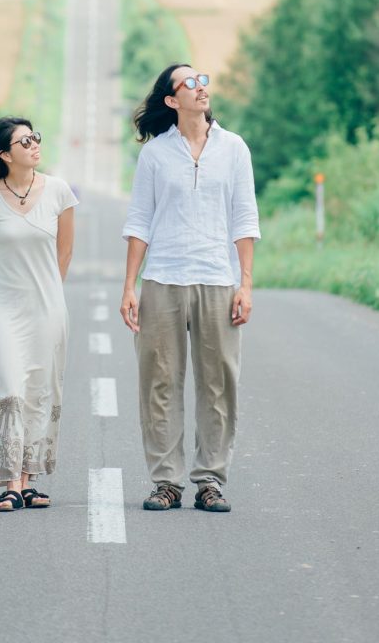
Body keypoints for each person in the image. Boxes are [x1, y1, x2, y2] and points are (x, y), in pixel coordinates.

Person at [120, 64, 260, 513]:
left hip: (218, 279)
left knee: (218, 384)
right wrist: (129, 286)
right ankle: (166, 482)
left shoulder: (234, 148)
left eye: (203, 80)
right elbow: (139, 222)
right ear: (171, 100)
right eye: (189, 84)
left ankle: (210, 480)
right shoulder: (155, 155)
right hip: (163, 278)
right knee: (158, 383)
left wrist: (246, 284)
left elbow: (245, 219)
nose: (201, 89)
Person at [0, 116, 78, 512]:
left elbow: (64, 253)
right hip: (2, 309)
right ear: (4, 153)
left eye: (35, 138)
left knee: (38, 391)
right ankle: (9, 482)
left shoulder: (59, 192)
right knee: (9, 387)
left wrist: (47, 291)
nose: (33, 144)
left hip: (47, 309)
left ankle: (27, 482)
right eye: (24, 140)